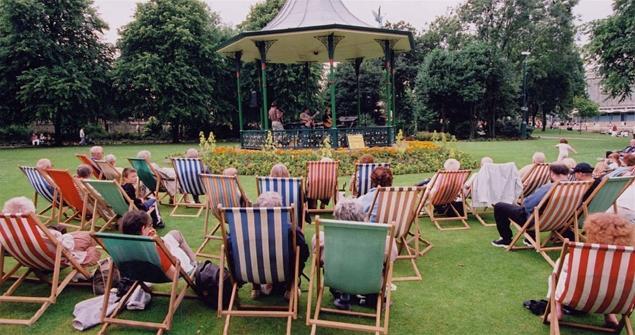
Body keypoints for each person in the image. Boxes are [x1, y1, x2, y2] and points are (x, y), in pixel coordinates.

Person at [547, 213, 634, 327]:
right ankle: (610, 314)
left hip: (578, 300)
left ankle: (557, 309)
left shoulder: (579, 257)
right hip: (617, 303)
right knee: (616, 282)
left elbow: (559, 275)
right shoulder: (630, 261)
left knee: (556, 274)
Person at [311, 199, 398, 310]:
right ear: (362, 217)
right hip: (369, 283)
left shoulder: (323, 239)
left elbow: (318, 260)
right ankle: (373, 297)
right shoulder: (382, 241)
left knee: (335, 265)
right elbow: (391, 258)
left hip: (336, 280)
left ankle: (344, 296)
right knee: (376, 268)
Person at [2, 197, 101, 268]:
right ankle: (81, 270)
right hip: (55, 260)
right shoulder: (40, 234)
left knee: (79, 235)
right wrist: (63, 236)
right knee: (91, 239)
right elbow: (66, 246)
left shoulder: (5, 233)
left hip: (30, 260)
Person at [247, 192, 309, 301]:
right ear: (280, 210)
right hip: (286, 272)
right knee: (298, 254)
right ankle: (290, 289)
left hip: (258, 272)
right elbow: (304, 254)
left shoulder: (246, 230)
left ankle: (256, 287)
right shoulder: (291, 230)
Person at [491, 164, 571, 248]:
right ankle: (531, 239)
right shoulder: (574, 188)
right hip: (558, 221)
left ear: (552, 174)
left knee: (499, 206)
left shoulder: (550, 187)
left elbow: (527, 204)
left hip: (536, 221)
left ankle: (506, 239)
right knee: (536, 210)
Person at [120, 210, 197, 278]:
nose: (152, 229)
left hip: (144, 272)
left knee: (175, 234)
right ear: (143, 229)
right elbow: (174, 274)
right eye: (150, 226)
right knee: (176, 239)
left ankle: (194, 262)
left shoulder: (124, 247)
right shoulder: (155, 249)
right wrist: (165, 248)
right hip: (174, 267)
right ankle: (195, 266)